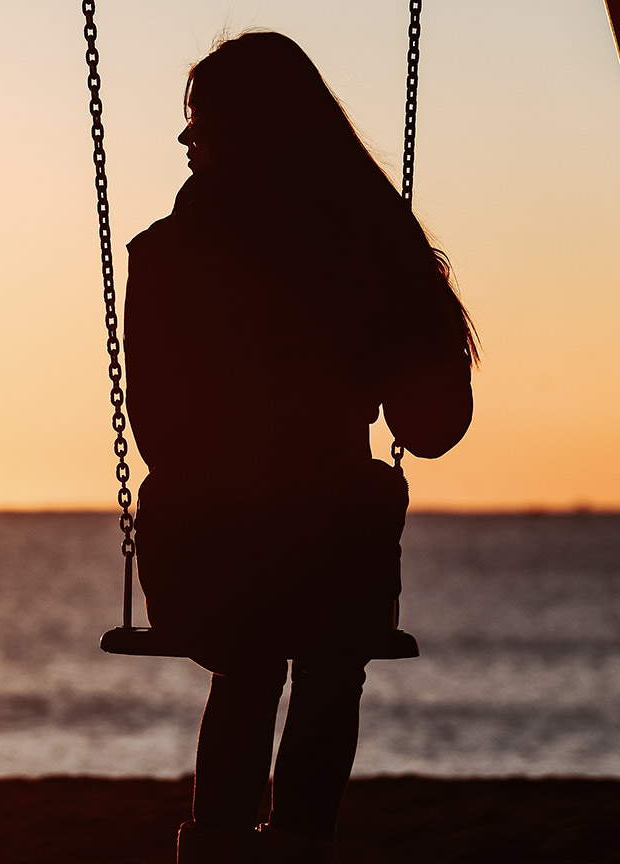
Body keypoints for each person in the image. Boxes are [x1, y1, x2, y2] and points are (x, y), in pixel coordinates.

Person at [124, 31, 476, 864]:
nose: (186, 144)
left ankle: (216, 847)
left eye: (196, 125)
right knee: (327, 657)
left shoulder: (168, 252)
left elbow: (158, 433)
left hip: (205, 547)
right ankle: (300, 843)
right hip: (329, 550)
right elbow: (431, 431)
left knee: (248, 660)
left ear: (234, 133)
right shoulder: (368, 240)